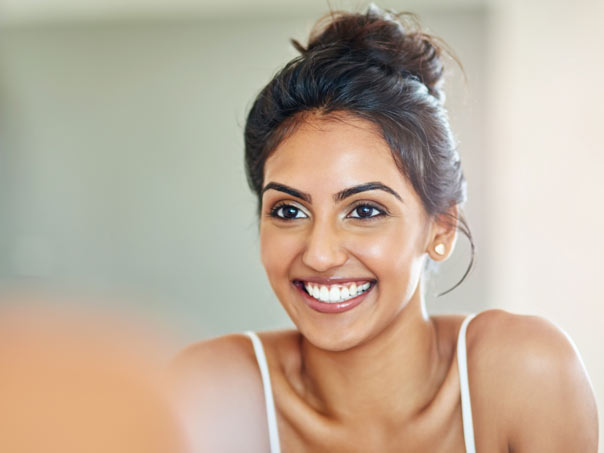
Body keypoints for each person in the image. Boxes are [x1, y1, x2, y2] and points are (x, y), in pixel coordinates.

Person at [169, 6, 598, 452]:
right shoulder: (209, 393)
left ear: (442, 227)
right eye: (290, 211)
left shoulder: (524, 373)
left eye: (366, 210)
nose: (320, 254)